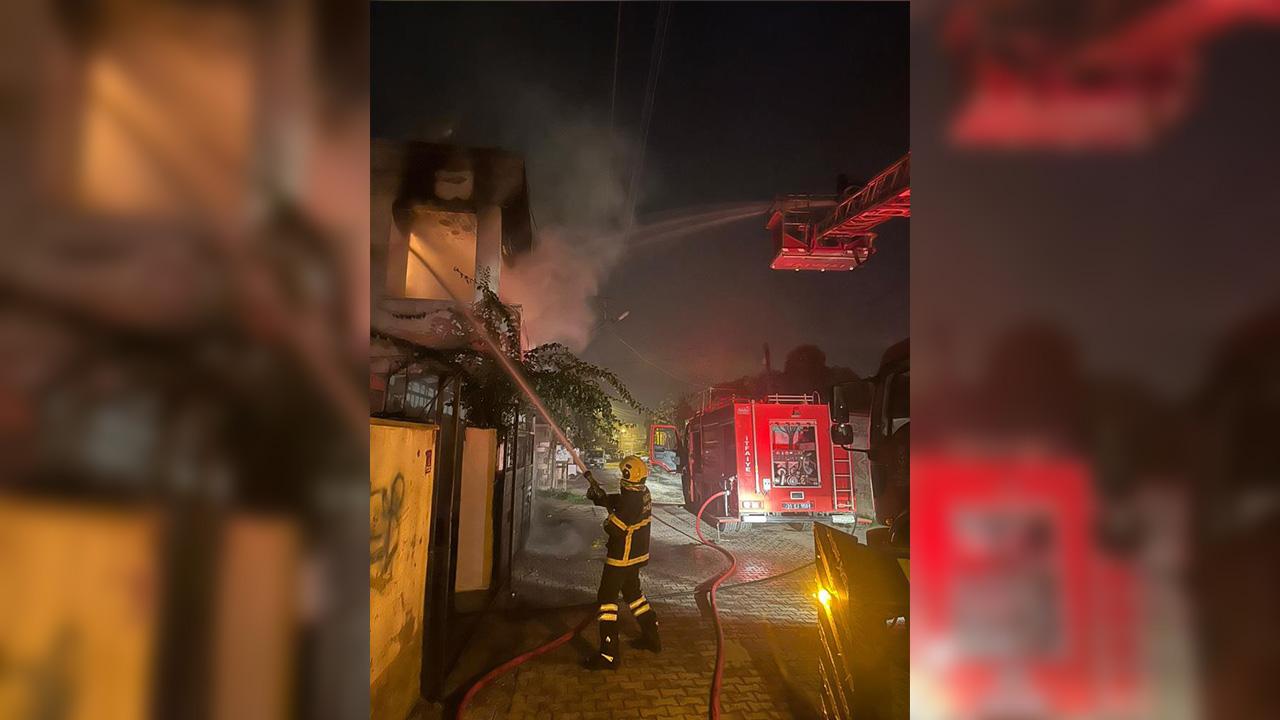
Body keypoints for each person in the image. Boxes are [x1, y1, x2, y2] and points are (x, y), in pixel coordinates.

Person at [583, 455, 661, 670]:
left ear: (627, 474)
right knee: (633, 595)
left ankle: (608, 654)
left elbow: (616, 528)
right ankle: (651, 635)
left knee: (606, 600)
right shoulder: (641, 492)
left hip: (622, 557)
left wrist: (608, 520)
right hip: (636, 555)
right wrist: (601, 498)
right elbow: (622, 502)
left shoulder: (631, 499)